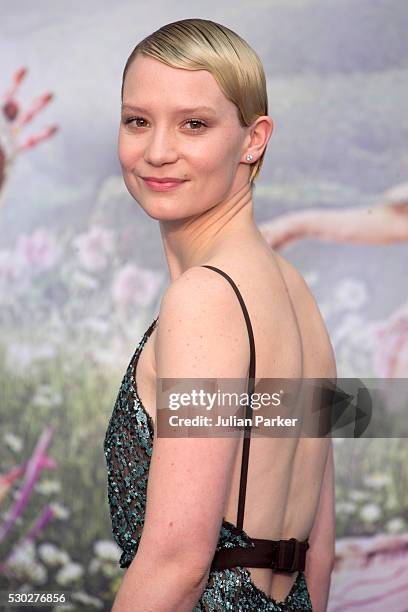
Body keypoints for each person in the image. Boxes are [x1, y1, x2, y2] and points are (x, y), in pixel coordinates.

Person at [104, 18, 336, 611]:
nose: (157, 150)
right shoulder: (296, 290)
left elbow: (177, 567)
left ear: (254, 139)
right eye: (138, 121)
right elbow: (319, 551)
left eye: (194, 124)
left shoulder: (205, 298)